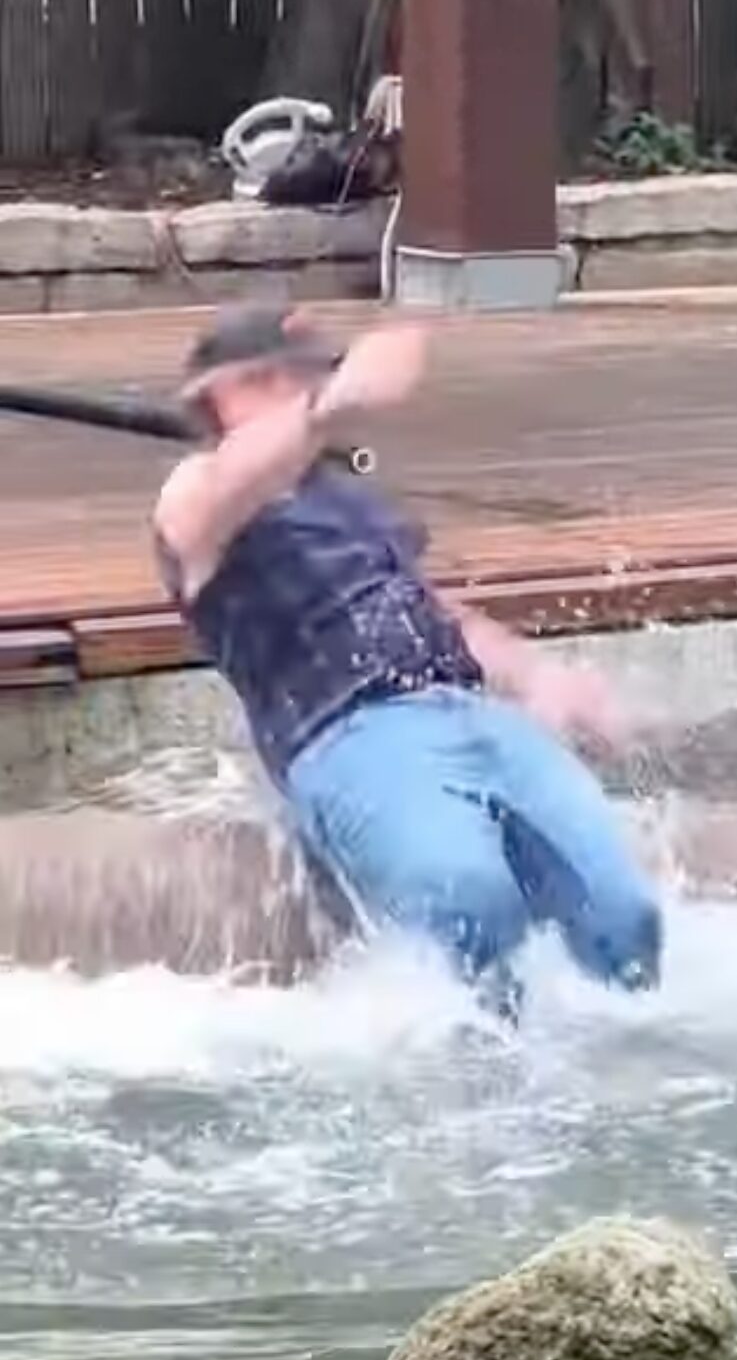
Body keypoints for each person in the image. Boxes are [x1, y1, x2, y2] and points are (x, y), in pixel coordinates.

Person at [153, 304, 662, 998]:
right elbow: (226, 489)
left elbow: (432, 612)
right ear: (218, 396)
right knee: (470, 904)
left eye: (305, 376)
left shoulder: (346, 499)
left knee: (624, 916)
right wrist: (327, 406)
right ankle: (476, 1056)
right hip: (349, 739)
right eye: (274, 379)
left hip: (473, 716)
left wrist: (541, 675)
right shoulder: (195, 489)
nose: (299, 390)